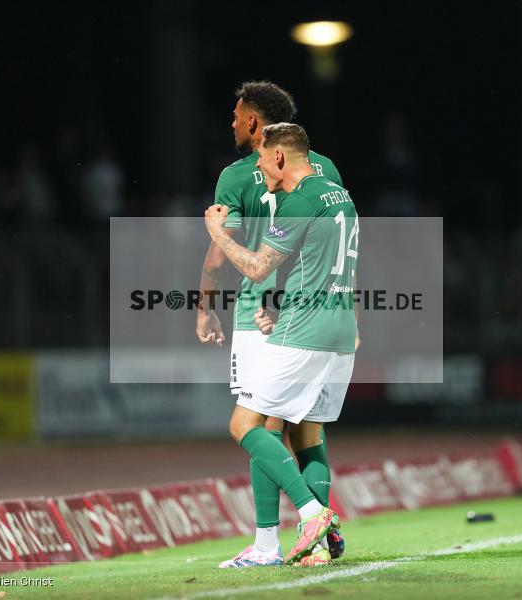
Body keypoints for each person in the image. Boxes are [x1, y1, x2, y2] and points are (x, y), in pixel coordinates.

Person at [196, 82, 344, 568]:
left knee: (256, 424)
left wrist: (204, 303)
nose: (233, 123)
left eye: (237, 116)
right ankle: (317, 544)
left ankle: (274, 540)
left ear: (257, 125)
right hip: (320, 312)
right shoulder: (325, 169)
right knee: (307, 431)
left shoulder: (238, 176)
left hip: (262, 311)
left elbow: (222, 255)